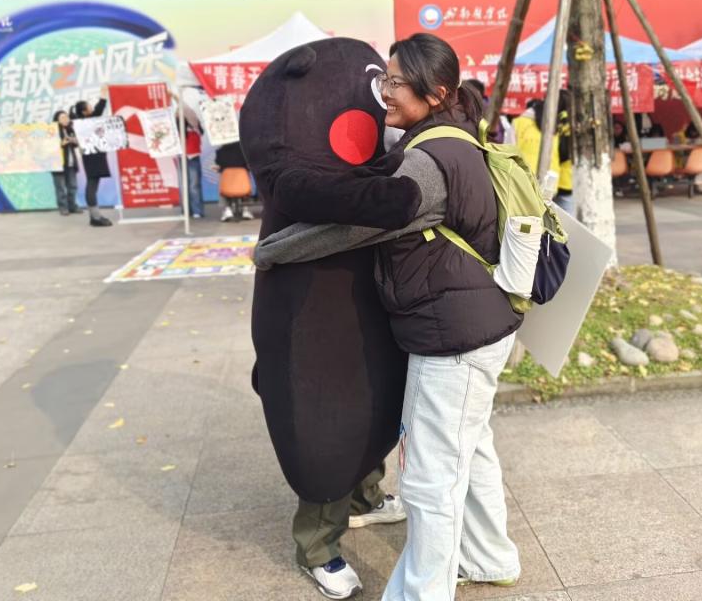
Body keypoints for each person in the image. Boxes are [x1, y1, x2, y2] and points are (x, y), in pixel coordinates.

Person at [255, 33, 523, 600]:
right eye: (385, 79)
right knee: (472, 450)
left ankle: (420, 594)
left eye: (396, 82)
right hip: (479, 323)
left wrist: (274, 248)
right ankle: (490, 557)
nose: (385, 94)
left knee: (431, 480)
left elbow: (360, 221)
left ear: (437, 92)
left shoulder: (427, 163)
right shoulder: (457, 136)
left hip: (452, 337)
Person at [71, 89, 113, 227]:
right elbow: (99, 109)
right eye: (89, 106)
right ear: (84, 112)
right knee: (92, 185)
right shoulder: (86, 121)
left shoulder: (82, 122)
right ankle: (95, 218)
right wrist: (103, 95)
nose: (91, 108)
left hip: (93, 156)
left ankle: (94, 216)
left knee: (93, 184)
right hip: (93, 157)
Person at [213, 141, 254, 222]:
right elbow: (248, 163)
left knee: (222, 183)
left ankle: (227, 210)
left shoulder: (220, 151)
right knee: (247, 179)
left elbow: (219, 163)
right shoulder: (244, 150)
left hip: (227, 185)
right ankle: (246, 209)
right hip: (242, 185)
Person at [52, 110, 81, 216]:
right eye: (62, 117)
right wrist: (61, 144)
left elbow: (77, 144)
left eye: (67, 117)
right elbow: (48, 147)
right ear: (57, 120)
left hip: (71, 162)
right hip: (58, 164)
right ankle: (63, 207)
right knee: (60, 188)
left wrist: (75, 141)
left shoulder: (71, 129)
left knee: (73, 186)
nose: (66, 119)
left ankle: (72, 206)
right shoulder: (52, 132)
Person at [184, 121, 205, 219]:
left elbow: (201, 132)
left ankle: (197, 210)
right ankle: (186, 210)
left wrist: (193, 125)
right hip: (181, 154)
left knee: (194, 185)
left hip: (193, 154)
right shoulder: (175, 119)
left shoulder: (193, 119)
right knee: (184, 185)